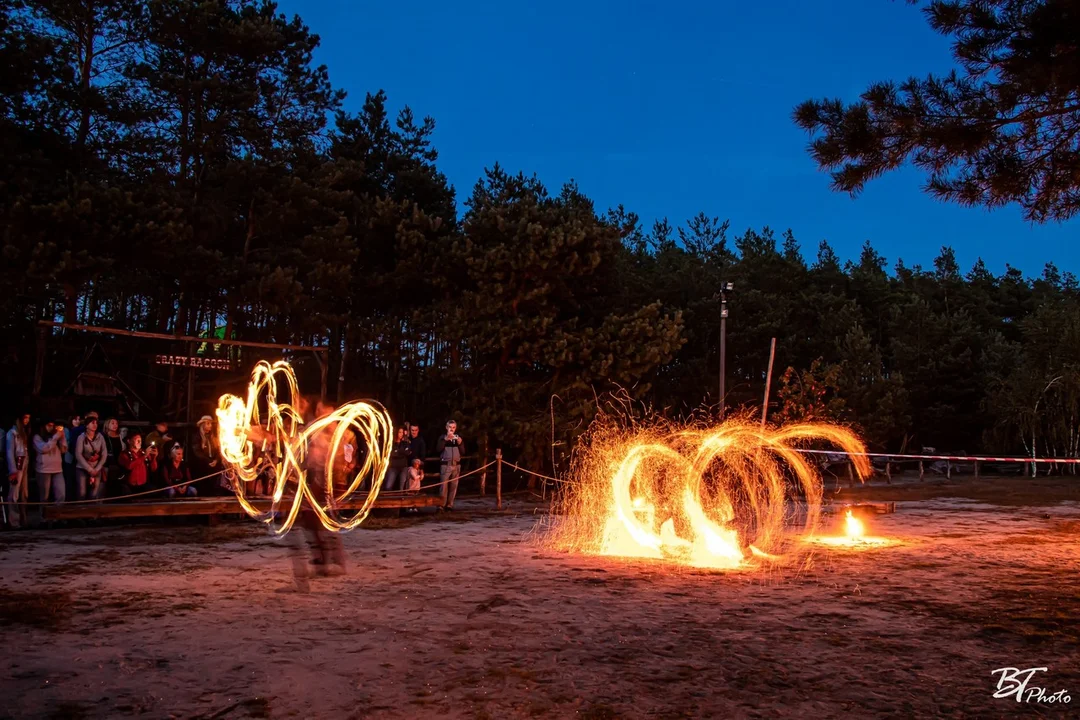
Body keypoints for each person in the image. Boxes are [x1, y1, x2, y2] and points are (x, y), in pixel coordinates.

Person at [5, 412, 31, 528]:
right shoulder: (12, 433)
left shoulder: (23, 432)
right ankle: (14, 521)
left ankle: (23, 519)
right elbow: (10, 452)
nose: (27, 420)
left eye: (28, 418)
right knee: (14, 493)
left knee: (24, 493)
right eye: (25, 417)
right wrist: (13, 470)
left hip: (24, 461)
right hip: (17, 463)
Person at [34, 419, 67, 506]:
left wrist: (62, 437)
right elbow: (44, 449)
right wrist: (55, 438)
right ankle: (44, 518)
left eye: (52, 426)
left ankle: (57, 516)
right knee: (44, 497)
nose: (51, 428)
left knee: (61, 495)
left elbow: (64, 450)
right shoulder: (37, 437)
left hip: (58, 469)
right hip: (44, 470)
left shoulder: (55, 437)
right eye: (49, 425)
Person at [74, 416, 107, 501]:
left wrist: (97, 468)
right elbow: (78, 454)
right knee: (82, 493)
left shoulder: (100, 437)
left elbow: (104, 453)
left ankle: (92, 511)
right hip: (83, 468)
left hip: (96, 467)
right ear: (86, 425)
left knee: (94, 493)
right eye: (92, 423)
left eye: (96, 423)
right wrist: (89, 469)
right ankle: (81, 511)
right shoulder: (81, 437)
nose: (95, 425)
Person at [118, 432, 158, 497]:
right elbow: (129, 466)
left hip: (143, 485)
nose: (139, 442)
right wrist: (144, 456)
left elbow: (153, 469)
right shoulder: (124, 454)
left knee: (154, 491)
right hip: (129, 486)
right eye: (137, 440)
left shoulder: (143, 453)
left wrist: (154, 458)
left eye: (140, 440)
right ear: (129, 441)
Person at [436, 419, 464, 511]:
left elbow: (463, 452)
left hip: (456, 465)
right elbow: (438, 449)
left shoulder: (458, 438)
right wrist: (445, 440)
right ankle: (441, 505)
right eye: (450, 427)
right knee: (443, 486)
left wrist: (460, 443)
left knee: (453, 486)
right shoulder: (442, 437)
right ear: (446, 427)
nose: (452, 429)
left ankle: (449, 505)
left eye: (454, 427)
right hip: (446, 465)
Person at [190, 415, 222, 496]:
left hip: (213, 464)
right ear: (203, 424)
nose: (210, 425)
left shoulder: (213, 437)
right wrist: (208, 461)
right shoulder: (197, 436)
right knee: (204, 486)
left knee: (214, 484)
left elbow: (219, 450)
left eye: (210, 424)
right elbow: (197, 452)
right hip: (202, 465)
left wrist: (216, 460)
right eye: (208, 423)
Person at [102, 418, 124, 497]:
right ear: (107, 424)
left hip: (118, 464)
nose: (115, 425)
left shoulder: (120, 436)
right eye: (112, 423)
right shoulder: (103, 436)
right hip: (106, 464)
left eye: (116, 423)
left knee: (116, 484)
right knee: (105, 485)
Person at [61, 414, 81, 499]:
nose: (77, 421)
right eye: (75, 419)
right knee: (69, 480)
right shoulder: (66, 430)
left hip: (79, 459)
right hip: (69, 457)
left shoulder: (81, 431)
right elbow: (67, 444)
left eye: (79, 419)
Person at [386, 427, 411, 492]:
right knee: (388, 486)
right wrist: (402, 452)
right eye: (400, 432)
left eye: (402, 432)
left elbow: (408, 452)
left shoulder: (405, 443)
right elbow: (392, 454)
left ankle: (402, 499)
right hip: (393, 467)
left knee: (402, 487)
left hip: (403, 466)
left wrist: (398, 451)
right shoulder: (391, 443)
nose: (401, 434)